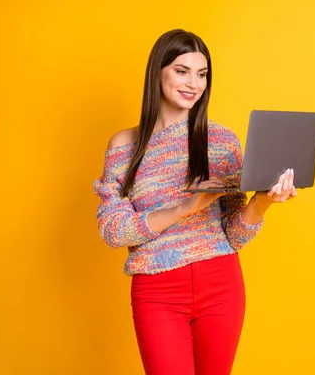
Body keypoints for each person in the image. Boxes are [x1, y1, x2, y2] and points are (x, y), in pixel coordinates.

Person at [93, 29, 296, 375]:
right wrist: (184, 208)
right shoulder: (124, 145)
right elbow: (114, 231)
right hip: (157, 291)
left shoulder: (222, 141)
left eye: (202, 74)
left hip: (221, 285)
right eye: (182, 71)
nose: (193, 84)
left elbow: (234, 235)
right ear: (158, 71)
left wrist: (263, 202)